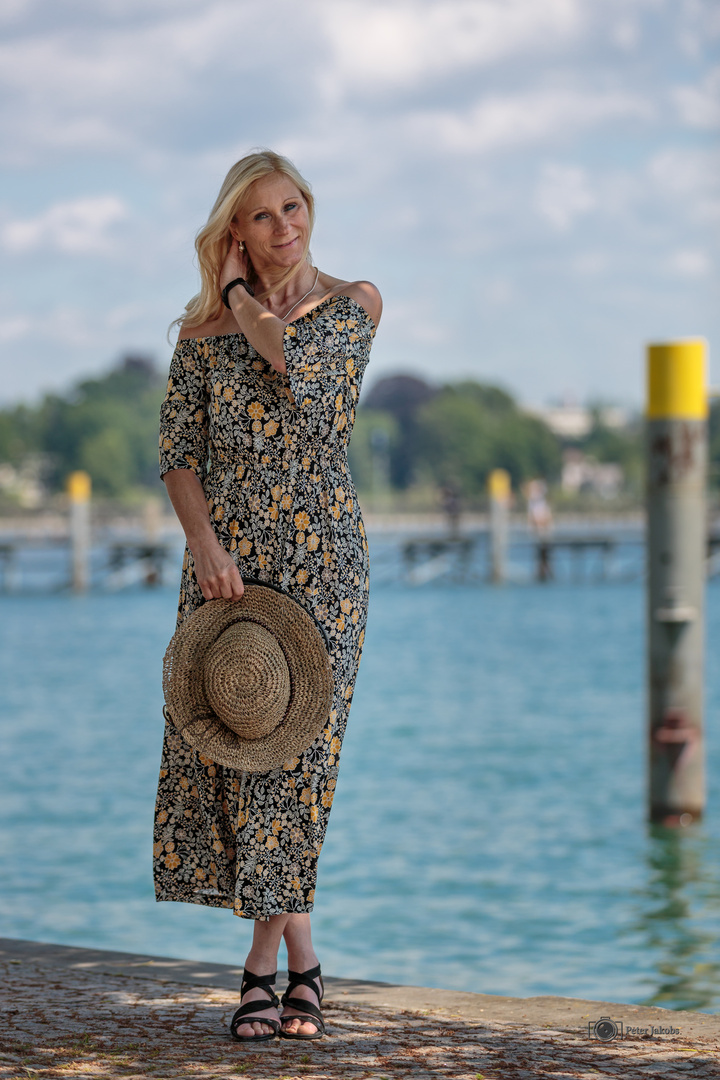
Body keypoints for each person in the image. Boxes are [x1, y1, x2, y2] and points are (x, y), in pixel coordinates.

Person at [155, 150, 382, 1042]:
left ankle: (261, 969)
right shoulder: (198, 336)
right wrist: (204, 544)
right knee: (243, 747)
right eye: (262, 216)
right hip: (228, 569)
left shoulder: (354, 304)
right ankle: (306, 966)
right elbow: (178, 456)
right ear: (235, 233)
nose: (285, 227)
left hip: (323, 564)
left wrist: (242, 298)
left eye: (294, 208)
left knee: (300, 761)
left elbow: (295, 368)